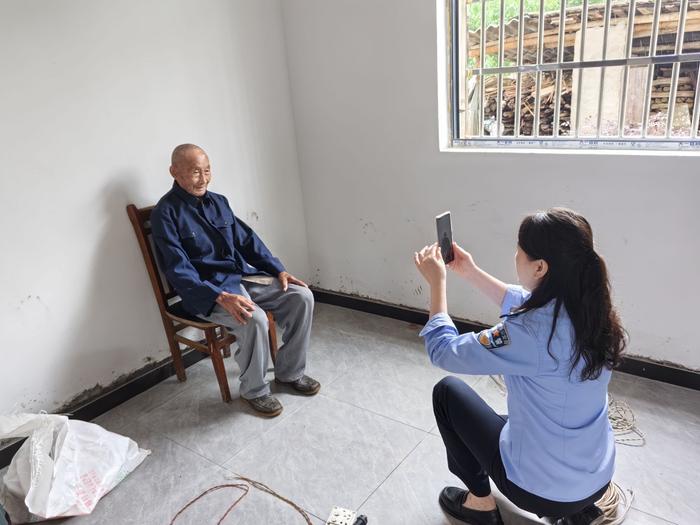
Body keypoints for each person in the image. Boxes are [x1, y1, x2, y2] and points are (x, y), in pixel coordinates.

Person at [413, 208, 626, 525]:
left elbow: (443, 352)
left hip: (543, 491)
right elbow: (526, 302)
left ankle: (479, 505)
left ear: (540, 267)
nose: (516, 256)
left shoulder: (528, 333)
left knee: (448, 394)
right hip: (596, 479)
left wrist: (437, 284)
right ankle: (578, 512)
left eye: (519, 251)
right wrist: (469, 271)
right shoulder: (593, 310)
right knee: (528, 415)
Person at [151, 144, 320, 418]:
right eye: (195, 172)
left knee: (301, 296)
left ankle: (290, 373)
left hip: (240, 277)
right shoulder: (165, 214)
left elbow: (248, 240)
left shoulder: (219, 201)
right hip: (206, 292)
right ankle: (255, 390)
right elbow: (177, 269)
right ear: (174, 172)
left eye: (207, 171)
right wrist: (219, 296)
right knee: (254, 318)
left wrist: (278, 270)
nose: (203, 179)